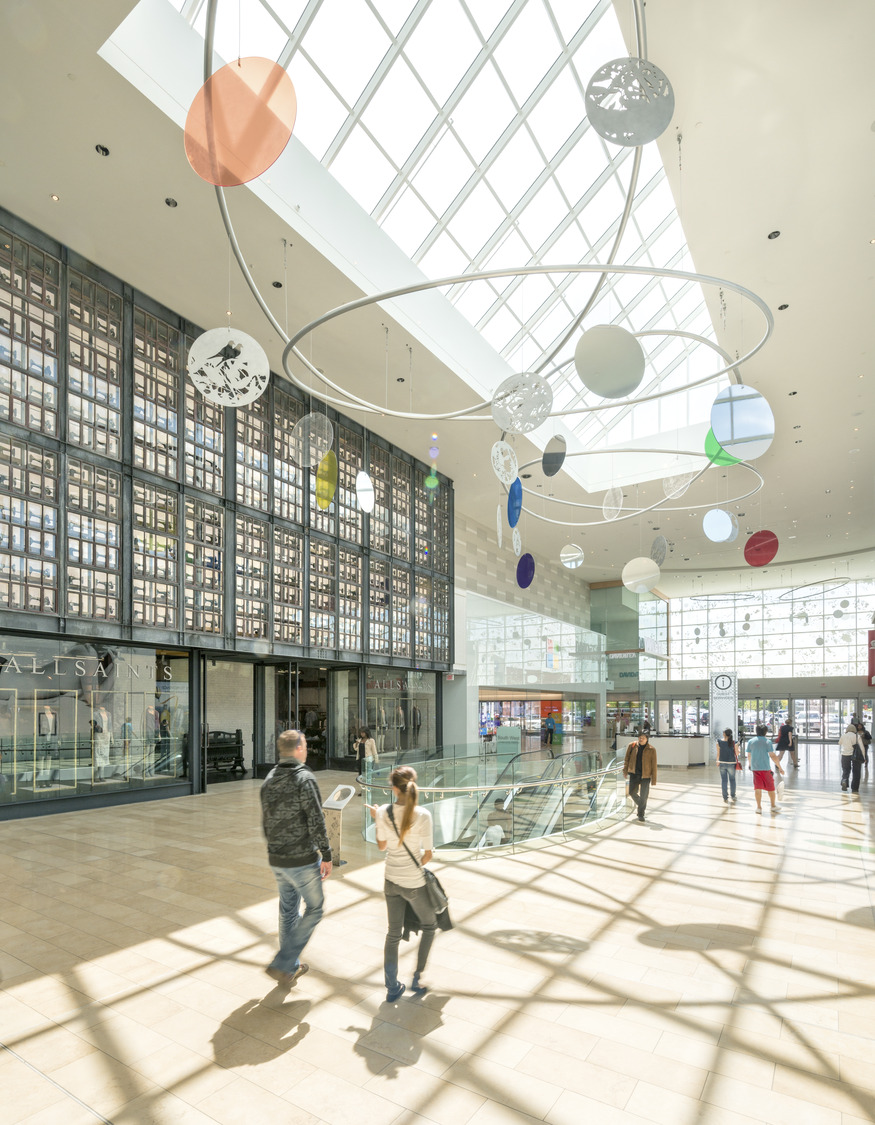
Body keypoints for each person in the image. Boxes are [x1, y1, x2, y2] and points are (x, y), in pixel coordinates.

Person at [260, 729, 332, 988]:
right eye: (304, 746)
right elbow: (316, 820)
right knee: (314, 908)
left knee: (288, 911)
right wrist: (327, 854)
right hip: (301, 858)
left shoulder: (269, 779)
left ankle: (288, 969)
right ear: (299, 749)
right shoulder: (304, 778)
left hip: (277, 858)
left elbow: (266, 821)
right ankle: (283, 961)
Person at [367, 765, 436, 1001]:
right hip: (413, 883)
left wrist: (377, 819)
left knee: (393, 933)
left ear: (394, 788)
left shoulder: (383, 812)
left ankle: (391, 986)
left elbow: (382, 846)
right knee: (429, 925)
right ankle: (417, 977)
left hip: (391, 880)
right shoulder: (423, 815)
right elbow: (427, 855)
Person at [747, 723, 784, 814]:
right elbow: (772, 756)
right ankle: (773, 806)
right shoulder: (768, 742)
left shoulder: (751, 741)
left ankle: (759, 807)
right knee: (771, 788)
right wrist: (780, 767)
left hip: (755, 769)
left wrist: (750, 765)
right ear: (766, 732)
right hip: (765, 768)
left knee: (757, 788)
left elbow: (749, 755)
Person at [623, 729, 657, 823]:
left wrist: (654, 779)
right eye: (639, 737)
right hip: (634, 774)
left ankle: (641, 813)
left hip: (645, 775)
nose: (641, 739)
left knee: (644, 795)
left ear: (647, 739)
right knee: (631, 792)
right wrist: (625, 770)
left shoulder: (651, 749)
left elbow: (654, 765)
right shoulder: (632, 746)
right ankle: (641, 805)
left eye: (643, 737)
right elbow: (627, 759)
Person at [716, 728, 740, 803]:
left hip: (722, 762)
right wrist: (738, 748)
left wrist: (717, 761)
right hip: (731, 763)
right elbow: (737, 753)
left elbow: (718, 753)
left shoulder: (719, 742)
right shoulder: (734, 742)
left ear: (724, 734)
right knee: (732, 780)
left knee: (724, 780)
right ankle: (733, 795)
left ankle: (725, 797)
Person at [839, 724, 864, 793]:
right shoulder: (857, 736)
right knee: (856, 771)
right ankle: (855, 788)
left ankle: (844, 780)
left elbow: (840, 743)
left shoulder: (843, 736)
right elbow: (862, 748)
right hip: (855, 756)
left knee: (846, 770)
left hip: (844, 755)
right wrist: (864, 757)